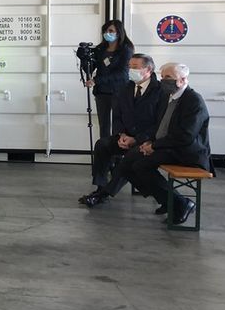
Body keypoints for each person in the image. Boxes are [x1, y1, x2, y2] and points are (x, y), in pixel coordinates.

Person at [81, 63, 210, 225]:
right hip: (168, 146)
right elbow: (161, 126)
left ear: (183, 80)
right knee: (130, 162)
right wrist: (150, 142)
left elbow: (185, 136)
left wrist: (153, 146)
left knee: (138, 164)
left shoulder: (193, 101)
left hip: (186, 152)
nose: (163, 80)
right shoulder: (170, 96)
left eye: (168, 77)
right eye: (162, 76)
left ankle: (178, 203)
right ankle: (171, 201)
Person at [79, 53, 163, 203]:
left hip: (148, 140)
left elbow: (160, 123)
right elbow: (117, 115)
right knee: (102, 145)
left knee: (130, 158)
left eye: (135, 67)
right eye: (129, 67)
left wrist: (136, 139)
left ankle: (104, 194)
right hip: (126, 135)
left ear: (148, 69)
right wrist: (122, 134)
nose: (131, 70)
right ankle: (100, 186)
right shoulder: (125, 87)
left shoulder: (160, 90)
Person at [85, 20, 134, 139]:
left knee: (119, 124)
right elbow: (91, 68)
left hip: (119, 90)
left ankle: (118, 149)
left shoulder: (126, 49)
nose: (107, 33)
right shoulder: (100, 49)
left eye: (111, 31)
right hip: (102, 92)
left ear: (119, 32)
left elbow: (122, 73)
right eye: (105, 31)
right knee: (104, 125)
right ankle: (104, 148)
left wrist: (97, 80)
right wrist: (84, 60)